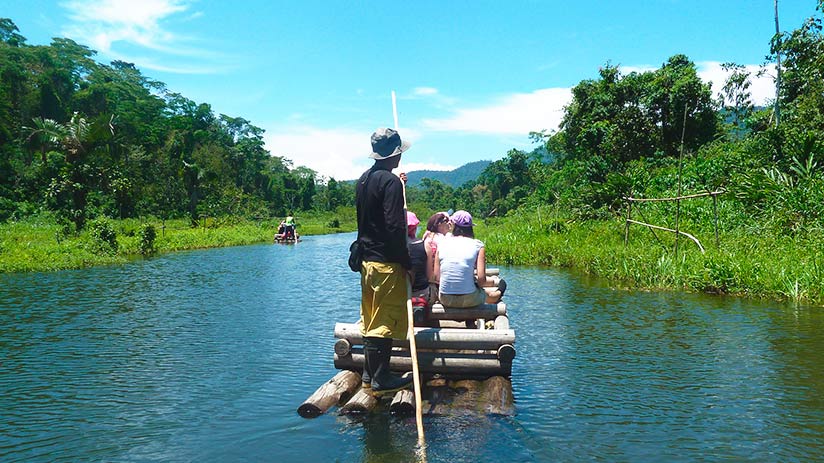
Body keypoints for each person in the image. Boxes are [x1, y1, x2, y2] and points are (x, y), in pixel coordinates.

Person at [355, 127, 413, 395]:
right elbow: (393, 226)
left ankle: (368, 373)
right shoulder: (389, 183)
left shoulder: (364, 179)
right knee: (384, 320)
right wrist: (406, 261)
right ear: (394, 155)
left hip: (367, 262)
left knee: (370, 317)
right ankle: (381, 377)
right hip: (386, 262)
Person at [434, 210, 505, 308]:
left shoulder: (442, 244)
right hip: (469, 300)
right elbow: (481, 280)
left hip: (445, 299)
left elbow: (437, 278)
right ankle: (499, 292)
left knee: (472, 288)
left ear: (453, 226)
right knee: (490, 296)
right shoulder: (478, 245)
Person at [406, 211, 435, 308]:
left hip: (402, 295)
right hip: (422, 293)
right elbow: (430, 276)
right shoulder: (425, 245)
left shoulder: (396, 246)